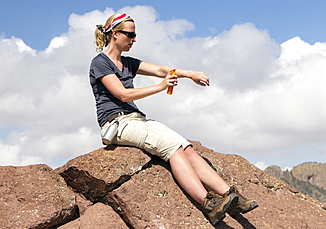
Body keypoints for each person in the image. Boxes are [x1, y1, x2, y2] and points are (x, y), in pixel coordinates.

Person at [89, 13, 258, 225]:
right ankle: (208, 204)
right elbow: (122, 94)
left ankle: (231, 197)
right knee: (171, 148)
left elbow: (160, 69)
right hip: (116, 123)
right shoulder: (100, 63)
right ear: (114, 34)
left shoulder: (127, 62)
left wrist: (191, 73)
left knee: (185, 146)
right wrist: (160, 87)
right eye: (130, 35)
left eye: (135, 35)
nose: (134, 39)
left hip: (136, 119)